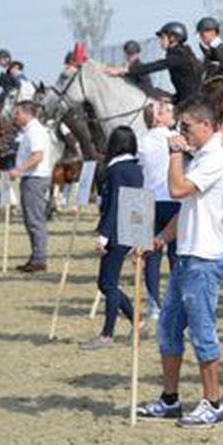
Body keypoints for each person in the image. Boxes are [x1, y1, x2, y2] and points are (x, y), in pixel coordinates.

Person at [136, 98, 223, 427]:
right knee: (168, 328)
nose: (182, 134)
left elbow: (177, 190)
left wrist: (175, 153)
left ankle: (213, 402)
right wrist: (161, 239)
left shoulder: (216, 159)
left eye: (187, 128)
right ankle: (170, 399)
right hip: (187, 256)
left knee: (202, 332)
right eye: (180, 128)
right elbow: (187, 209)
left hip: (205, 259)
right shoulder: (200, 158)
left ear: (206, 126)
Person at [82, 126, 145, 351]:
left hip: (117, 231)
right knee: (107, 283)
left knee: (108, 283)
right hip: (131, 229)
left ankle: (108, 333)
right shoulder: (136, 169)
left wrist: (104, 236)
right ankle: (136, 319)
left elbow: (115, 205)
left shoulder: (116, 170)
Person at [138, 99, 181, 325]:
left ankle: (153, 303)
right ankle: (174, 302)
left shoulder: (142, 141)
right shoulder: (175, 139)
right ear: (157, 118)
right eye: (167, 111)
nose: (171, 112)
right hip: (173, 201)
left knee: (151, 257)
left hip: (148, 200)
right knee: (175, 254)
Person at [8, 101, 54, 273]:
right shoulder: (30, 131)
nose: (16, 116)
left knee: (35, 220)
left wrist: (19, 169)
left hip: (35, 178)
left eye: (18, 113)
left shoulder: (35, 131)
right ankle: (36, 256)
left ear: (27, 114)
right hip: (33, 178)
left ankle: (39, 258)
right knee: (31, 219)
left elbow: (38, 156)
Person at [105, 22, 200, 104]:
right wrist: (174, 99)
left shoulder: (178, 56)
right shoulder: (181, 53)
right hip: (187, 101)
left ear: (173, 38)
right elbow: (186, 88)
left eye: (162, 38)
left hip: (191, 106)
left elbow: (156, 66)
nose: (160, 42)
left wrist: (125, 70)